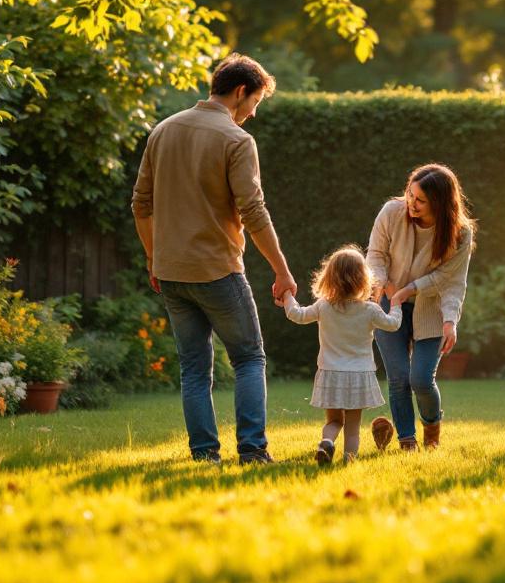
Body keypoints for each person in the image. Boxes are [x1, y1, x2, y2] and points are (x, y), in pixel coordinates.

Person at [131, 54, 297, 465]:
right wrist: (282, 270)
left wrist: (154, 259)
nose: (254, 113)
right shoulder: (236, 140)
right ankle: (253, 450)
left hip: (170, 273)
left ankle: (205, 454)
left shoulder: (163, 130)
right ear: (240, 92)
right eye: (255, 102)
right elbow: (254, 213)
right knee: (249, 357)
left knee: (193, 368)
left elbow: (140, 204)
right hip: (218, 271)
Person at [365, 163, 474, 451]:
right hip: (388, 303)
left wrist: (450, 321)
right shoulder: (391, 212)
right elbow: (374, 257)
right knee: (399, 378)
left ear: (439, 203)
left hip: (431, 308)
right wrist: (390, 290)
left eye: (420, 200)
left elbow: (451, 281)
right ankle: (407, 442)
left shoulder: (461, 234)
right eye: (410, 195)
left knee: (422, 379)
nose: (411, 204)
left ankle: (432, 434)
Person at [284, 245, 403, 465]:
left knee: (334, 421)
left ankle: (327, 442)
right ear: (363, 279)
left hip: (331, 373)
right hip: (359, 375)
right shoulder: (369, 310)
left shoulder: (323, 306)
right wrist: (394, 302)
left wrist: (287, 295)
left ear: (328, 278)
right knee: (352, 428)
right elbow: (394, 324)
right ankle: (349, 461)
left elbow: (297, 315)